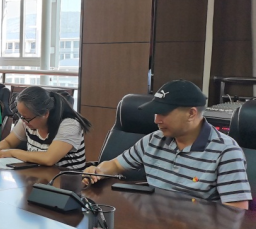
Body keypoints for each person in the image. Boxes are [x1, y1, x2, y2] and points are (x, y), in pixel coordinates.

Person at [84, 80, 251, 209]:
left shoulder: (226, 151)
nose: (156, 120)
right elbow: (115, 164)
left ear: (191, 113)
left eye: (163, 113)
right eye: (155, 113)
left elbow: (236, 212)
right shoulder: (153, 140)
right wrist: (99, 171)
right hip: (154, 226)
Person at [0, 86, 90, 168]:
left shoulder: (70, 124)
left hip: (67, 182)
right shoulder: (27, 120)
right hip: (38, 179)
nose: (24, 121)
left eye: (27, 118)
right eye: (21, 116)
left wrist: (12, 153)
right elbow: (8, 142)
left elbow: (49, 159)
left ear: (45, 114)